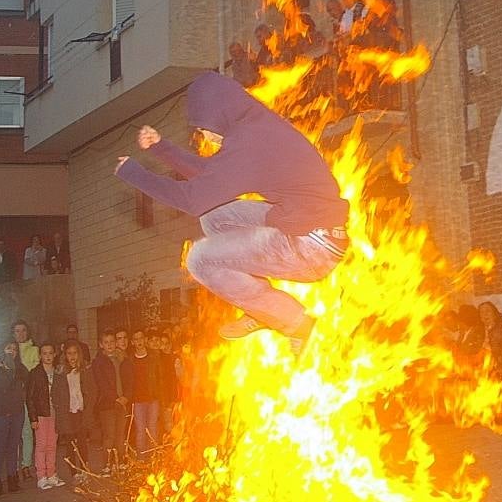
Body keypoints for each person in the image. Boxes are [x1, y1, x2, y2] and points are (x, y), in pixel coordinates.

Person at [115, 72, 348, 351]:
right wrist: (161, 149)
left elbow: (193, 198)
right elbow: (211, 178)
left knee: (200, 259)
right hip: (304, 225)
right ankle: (261, 306)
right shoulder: (254, 129)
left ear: (218, 112)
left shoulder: (248, 144)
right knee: (215, 217)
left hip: (311, 247)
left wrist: (134, 174)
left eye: (203, 127)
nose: (203, 135)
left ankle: (293, 319)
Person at [0, 339, 28, 496]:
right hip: (1, 413)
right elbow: (3, 385)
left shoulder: (20, 368)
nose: (12, 351)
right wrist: (7, 367)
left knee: (13, 447)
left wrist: (13, 367)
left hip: (17, 411)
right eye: (8, 348)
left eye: (14, 349)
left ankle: (12, 479)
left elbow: (26, 380)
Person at [57, 342, 96, 483]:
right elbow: (56, 393)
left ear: (79, 354)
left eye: (75, 353)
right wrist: (61, 410)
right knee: (70, 444)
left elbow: (92, 391)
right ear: (65, 355)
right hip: (68, 413)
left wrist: (88, 408)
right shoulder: (61, 372)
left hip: (81, 412)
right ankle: (74, 472)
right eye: (69, 353)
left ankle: (85, 469)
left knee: (82, 443)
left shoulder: (85, 369)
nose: (72, 356)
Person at [26, 342, 63, 489]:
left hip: (55, 413)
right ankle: (41, 476)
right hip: (42, 414)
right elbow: (30, 397)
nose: (48, 356)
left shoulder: (58, 371)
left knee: (52, 445)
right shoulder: (35, 373)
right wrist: (33, 418)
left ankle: (52, 474)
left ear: (54, 355)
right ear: (40, 356)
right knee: (41, 445)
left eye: (50, 353)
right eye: (44, 353)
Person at [121, 330, 160, 456]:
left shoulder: (154, 357)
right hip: (137, 400)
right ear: (132, 342)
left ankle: (153, 457)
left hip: (153, 398)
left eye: (141, 338)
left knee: (153, 428)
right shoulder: (130, 360)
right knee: (140, 430)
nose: (139, 342)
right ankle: (142, 457)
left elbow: (161, 378)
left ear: (145, 340)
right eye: (136, 339)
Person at [91, 330, 125, 474]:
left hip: (122, 402)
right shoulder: (98, 362)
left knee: (120, 434)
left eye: (112, 341)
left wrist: (125, 397)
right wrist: (115, 397)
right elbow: (102, 383)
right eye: (106, 342)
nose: (110, 345)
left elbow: (127, 380)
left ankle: (120, 461)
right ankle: (107, 463)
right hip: (107, 404)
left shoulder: (122, 359)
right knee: (109, 435)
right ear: (101, 345)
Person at [14, 320, 40, 483]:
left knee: (27, 431)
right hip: (12, 397)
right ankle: (13, 467)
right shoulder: (9, 350)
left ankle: (26, 465)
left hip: (27, 395)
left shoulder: (34, 350)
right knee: (13, 433)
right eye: (17, 331)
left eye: (23, 330)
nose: (20, 334)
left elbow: (33, 371)